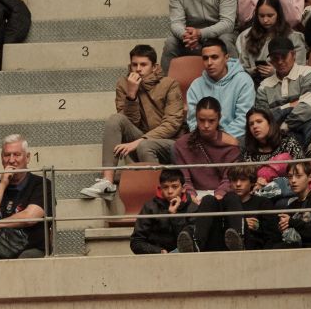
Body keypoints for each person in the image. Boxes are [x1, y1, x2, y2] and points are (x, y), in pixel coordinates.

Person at [84, 43, 186, 200]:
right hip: (141, 139)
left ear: (154, 67)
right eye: (134, 64)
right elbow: (129, 123)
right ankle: (107, 181)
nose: (138, 69)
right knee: (115, 119)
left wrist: (139, 142)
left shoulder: (169, 84)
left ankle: (155, 196)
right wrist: (131, 95)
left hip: (170, 143)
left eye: (143, 64)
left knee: (146, 145)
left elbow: (172, 124)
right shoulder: (124, 84)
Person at [0, 132, 50, 258]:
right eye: (7, 155)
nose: (11, 160)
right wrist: (3, 184)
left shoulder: (41, 184)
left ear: (27, 157)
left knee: (21, 262)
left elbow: (29, 217)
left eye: (17, 155)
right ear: (1, 158)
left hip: (31, 249)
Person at [252, 35, 311, 153]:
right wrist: (290, 105)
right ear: (270, 61)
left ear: (294, 54)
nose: (280, 62)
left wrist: (283, 124)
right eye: (275, 58)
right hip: (279, 137)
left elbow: (308, 108)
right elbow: (264, 119)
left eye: (284, 56)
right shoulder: (264, 86)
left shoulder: (309, 73)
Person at [185, 40, 255, 142]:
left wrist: (219, 138)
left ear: (226, 58)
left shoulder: (243, 81)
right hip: (203, 138)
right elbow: (193, 121)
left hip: (235, 138)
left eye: (214, 57)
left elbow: (244, 119)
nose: (209, 63)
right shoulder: (196, 85)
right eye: (205, 58)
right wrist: (207, 137)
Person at [175, 98, 243, 201]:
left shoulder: (231, 145)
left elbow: (228, 179)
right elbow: (185, 180)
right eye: (202, 120)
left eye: (211, 121)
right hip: (193, 196)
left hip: (223, 196)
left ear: (219, 118)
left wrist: (218, 196)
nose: (206, 125)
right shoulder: (181, 145)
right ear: (196, 118)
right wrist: (191, 197)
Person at [129, 165, 204, 252]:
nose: (170, 191)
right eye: (165, 187)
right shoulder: (150, 207)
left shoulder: (192, 208)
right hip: (157, 256)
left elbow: (187, 240)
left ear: (183, 189)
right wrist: (158, 251)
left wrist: (174, 216)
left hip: (184, 256)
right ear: (160, 188)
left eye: (174, 186)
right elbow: (136, 242)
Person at [273, 158, 311, 244]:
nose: (293, 181)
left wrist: (291, 222)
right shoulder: (291, 206)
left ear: (310, 177)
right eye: (290, 177)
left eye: (298, 176)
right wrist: (282, 230)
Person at [237, 0, 304, 77]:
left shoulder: (293, 37)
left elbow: (300, 69)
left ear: (278, 14)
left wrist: (276, 72)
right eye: (261, 16)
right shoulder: (246, 36)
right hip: (254, 83)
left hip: (285, 85)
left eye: (270, 15)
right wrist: (253, 71)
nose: (265, 20)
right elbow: (242, 67)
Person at [163, 0, 238, 69]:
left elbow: (228, 24)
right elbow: (176, 23)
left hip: (219, 36)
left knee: (225, 39)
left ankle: (235, 78)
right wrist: (186, 36)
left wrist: (200, 33)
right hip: (193, 41)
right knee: (171, 42)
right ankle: (166, 81)